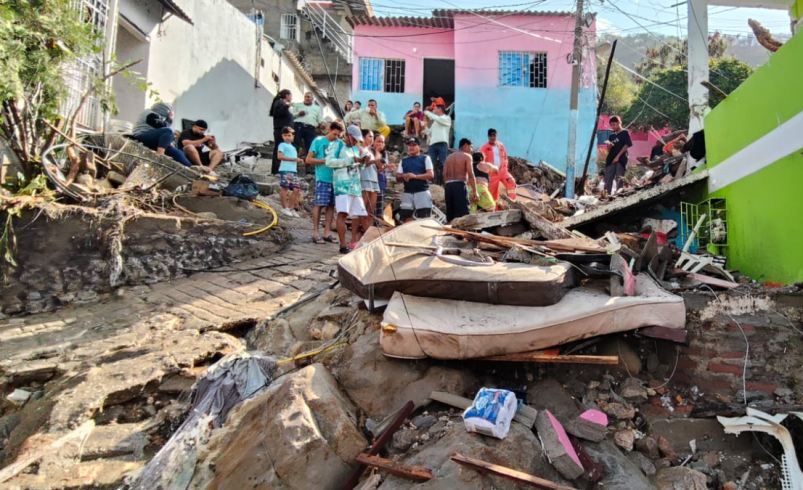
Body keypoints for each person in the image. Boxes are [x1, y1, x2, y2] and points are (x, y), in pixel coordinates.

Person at [326, 125, 369, 253]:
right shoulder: (337, 144)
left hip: (355, 186)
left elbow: (357, 167)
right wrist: (350, 160)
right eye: (354, 139)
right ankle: (343, 245)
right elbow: (329, 162)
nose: (355, 142)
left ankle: (364, 241)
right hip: (342, 186)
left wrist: (363, 162)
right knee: (343, 214)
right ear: (348, 135)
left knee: (362, 214)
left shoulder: (355, 149)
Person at [306, 121, 343, 244]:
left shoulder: (339, 143)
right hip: (322, 178)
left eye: (338, 135)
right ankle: (315, 232)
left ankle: (327, 232)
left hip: (335, 179)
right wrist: (324, 161)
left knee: (331, 205)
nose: (336, 137)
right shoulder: (318, 141)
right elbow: (308, 159)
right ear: (329, 130)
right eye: (334, 134)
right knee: (319, 204)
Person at [131, 102, 192, 167]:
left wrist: (167, 141)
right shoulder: (150, 114)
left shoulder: (155, 115)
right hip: (142, 135)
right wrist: (170, 118)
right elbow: (163, 127)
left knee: (178, 152)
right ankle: (160, 153)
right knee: (168, 131)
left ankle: (190, 167)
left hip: (152, 139)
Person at [396, 137, 435, 223]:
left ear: (419, 147)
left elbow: (430, 174)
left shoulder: (425, 158)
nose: (411, 147)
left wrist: (415, 176)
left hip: (422, 192)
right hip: (407, 193)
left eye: (414, 145)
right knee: (406, 218)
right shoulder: (403, 161)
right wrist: (404, 176)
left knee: (424, 218)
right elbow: (398, 177)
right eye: (409, 145)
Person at [442, 138, 478, 223]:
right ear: (465, 146)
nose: (471, 150)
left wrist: (447, 187)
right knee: (463, 215)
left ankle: (450, 230)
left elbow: (444, 174)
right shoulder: (467, 156)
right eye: (471, 147)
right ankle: (462, 232)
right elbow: (471, 174)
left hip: (448, 186)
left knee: (450, 214)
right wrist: (475, 191)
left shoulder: (449, 157)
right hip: (459, 185)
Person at [480, 128, 515, 202]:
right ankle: (494, 207)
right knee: (492, 193)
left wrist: (505, 168)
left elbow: (505, 157)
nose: (492, 137)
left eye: (494, 135)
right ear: (488, 136)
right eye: (490, 135)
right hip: (491, 174)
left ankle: (512, 202)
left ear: (497, 135)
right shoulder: (484, 148)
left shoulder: (501, 145)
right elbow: (481, 162)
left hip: (502, 171)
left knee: (511, 181)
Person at [277, 126, 303, 217]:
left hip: (293, 170)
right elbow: (280, 157)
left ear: (293, 136)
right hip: (285, 169)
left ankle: (291, 208)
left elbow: (293, 158)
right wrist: (293, 159)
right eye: (285, 135)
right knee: (285, 187)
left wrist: (298, 160)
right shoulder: (282, 145)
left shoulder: (293, 147)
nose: (287, 137)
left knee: (296, 189)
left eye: (289, 135)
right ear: (282, 136)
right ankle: (284, 207)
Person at [423, 100, 451, 186]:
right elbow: (430, 132)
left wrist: (427, 112)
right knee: (431, 163)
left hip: (442, 144)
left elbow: (437, 119)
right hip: (432, 144)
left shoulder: (446, 118)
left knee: (443, 163)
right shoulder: (435, 122)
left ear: (440, 109)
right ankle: (432, 181)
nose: (434, 110)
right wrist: (424, 127)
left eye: (435, 109)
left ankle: (444, 182)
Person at [603, 116, 633, 195]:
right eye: (611, 125)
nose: (612, 127)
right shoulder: (612, 136)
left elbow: (626, 145)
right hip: (611, 159)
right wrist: (609, 146)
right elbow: (609, 150)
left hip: (621, 159)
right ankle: (606, 195)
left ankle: (618, 195)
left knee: (619, 179)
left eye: (614, 124)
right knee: (608, 178)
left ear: (619, 123)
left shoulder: (624, 133)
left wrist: (618, 157)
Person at [291, 92, 325, 156]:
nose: (306, 98)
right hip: (298, 126)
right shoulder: (297, 105)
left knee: (310, 147)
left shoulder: (317, 108)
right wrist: (299, 114)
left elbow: (320, 118)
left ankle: (309, 162)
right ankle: (292, 160)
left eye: (308, 97)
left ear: (312, 99)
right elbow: (291, 115)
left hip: (310, 129)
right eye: (305, 97)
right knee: (295, 145)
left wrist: (322, 123)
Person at [270, 89, 294, 175]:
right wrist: (287, 106)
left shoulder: (282, 104)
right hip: (280, 130)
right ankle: (276, 170)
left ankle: (280, 169)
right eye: (290, 96)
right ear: (287, 95)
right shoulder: (280, 103)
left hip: (284, 130)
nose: (291, 98)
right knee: (279, 149)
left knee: (283, 149)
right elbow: (279, 113)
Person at [359, 129, 379, 231]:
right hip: (365, 178)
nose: (372, 139)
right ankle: (365, 230)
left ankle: (369, 230)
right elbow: (360, 165)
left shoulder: (370, 150)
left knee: (371, 209)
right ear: (363, 137)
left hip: (374, 179)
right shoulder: (359, 148)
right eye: (369, 136)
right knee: (363, 208)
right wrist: (373, 162)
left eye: (372, 137)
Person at [370, 132, 390, 220]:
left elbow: (384, 170)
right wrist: (377, 151)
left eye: (382, 142)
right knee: (371, 210)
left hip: (381, 183)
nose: (380, 144)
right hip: (371, 184)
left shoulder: (385, 154)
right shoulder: (370, 152)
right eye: (378, 141)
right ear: (373, 142)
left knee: (379, 211)